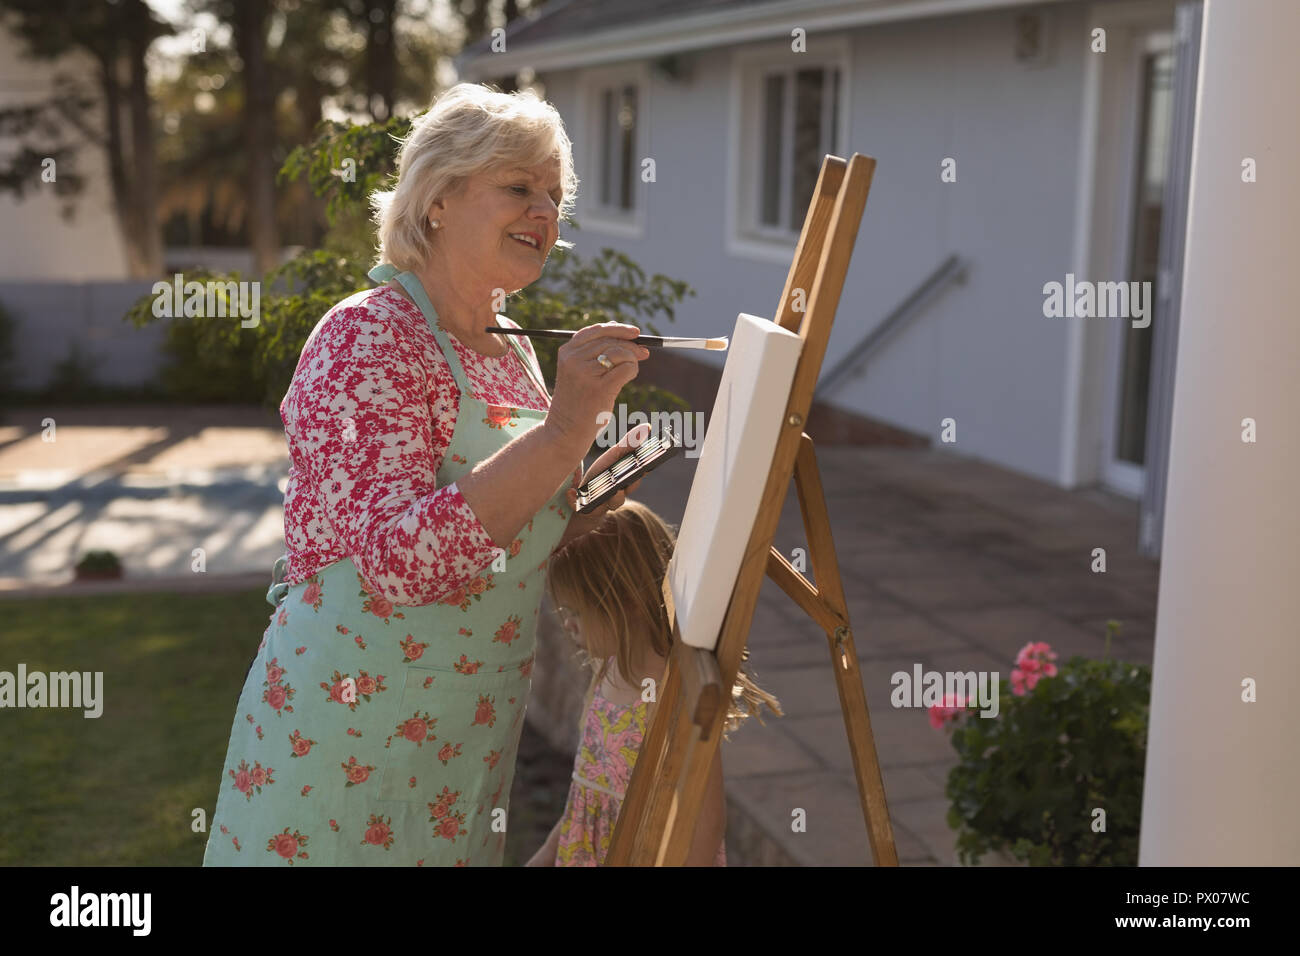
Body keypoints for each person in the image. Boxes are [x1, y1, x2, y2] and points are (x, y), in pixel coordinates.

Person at [203, 82, 653, 867]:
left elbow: (497, 527)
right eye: (518, 187)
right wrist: (563, 433)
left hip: (465, 734)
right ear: (438, 198)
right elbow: (396, 564)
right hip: (346, 732)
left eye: (553, 193)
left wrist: (576, 506)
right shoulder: (366, 338)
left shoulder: (509, 344)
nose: (544, 212)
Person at [527, 501, 783, 867]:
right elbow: (585, 795)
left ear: (625, 602)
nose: (567, 625)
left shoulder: (672, 694)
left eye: (577, 612)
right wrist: (547, 855)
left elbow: (706, 823)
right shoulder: (609, 670)